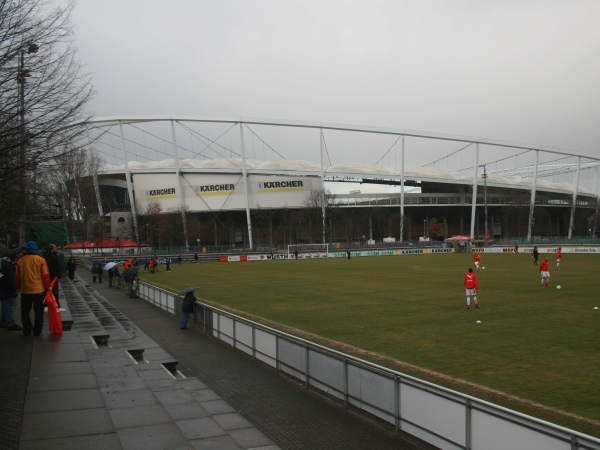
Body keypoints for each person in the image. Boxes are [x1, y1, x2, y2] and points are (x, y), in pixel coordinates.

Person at [16, 241, 51, 336]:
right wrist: (48, 287)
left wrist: (19, 287)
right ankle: (37, 330)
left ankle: (27, 329)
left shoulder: (21, 261)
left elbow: (18, 277)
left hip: (25, 290)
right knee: (39, 312)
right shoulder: (41, 260)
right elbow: (45, 276)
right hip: (39, 290)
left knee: (25, 311)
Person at [0, 251, 22, 331]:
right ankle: (10, 323)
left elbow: (2, 276)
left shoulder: (3, 264)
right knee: (10, 305)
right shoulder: (9, 266)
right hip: (8, 289)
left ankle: (3, 322)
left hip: (3, 288)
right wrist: (15, 288)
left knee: (5, 305)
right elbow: (10, 279)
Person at [43, 244, 64, 311]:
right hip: (53, 277)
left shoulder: (43, 256)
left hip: (45, 276)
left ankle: (46, 305)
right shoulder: (53, 256)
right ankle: (57, 306)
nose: (56, 248)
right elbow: (56, 267)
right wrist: (58, 276)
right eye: (55, 247)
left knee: (46, 291)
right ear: (52, 249)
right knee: (55, 291)